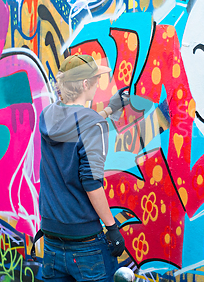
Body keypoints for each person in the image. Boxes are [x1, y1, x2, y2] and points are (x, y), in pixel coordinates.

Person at [38, 54, 129, 282]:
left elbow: (76, 124)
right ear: (85, 84)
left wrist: (109, 110)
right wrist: (112, 228)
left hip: (51, 236)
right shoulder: (92, 125)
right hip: (85, 243)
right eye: (96, 79)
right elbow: (91, 184)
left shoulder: (48, 115)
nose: (99, 83)